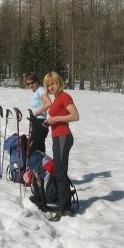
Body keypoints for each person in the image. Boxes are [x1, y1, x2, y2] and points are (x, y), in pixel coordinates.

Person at [43, 71, 79, 222]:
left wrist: (55, 118)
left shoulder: (64, 96)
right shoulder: (57, 98)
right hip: (58, 137)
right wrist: (48, 122)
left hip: (64, 136)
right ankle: (63, 204)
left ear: (59, 83)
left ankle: (64, 208)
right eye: (48, 85)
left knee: (61, 172)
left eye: (53, 83)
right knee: (59, 170)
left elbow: (75, 116)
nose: (51, 87)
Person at [25, 72, 52, 154]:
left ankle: (37, 165)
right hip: (36, 122)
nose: (30, 86)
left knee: (34, 149)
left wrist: (35, 114)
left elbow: (49, 103)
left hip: (40, 123)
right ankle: (39, 165)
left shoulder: (40, 90)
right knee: (38, 148)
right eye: (28, 84)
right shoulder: (37, 91)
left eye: (32, 83)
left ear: (37, 81)